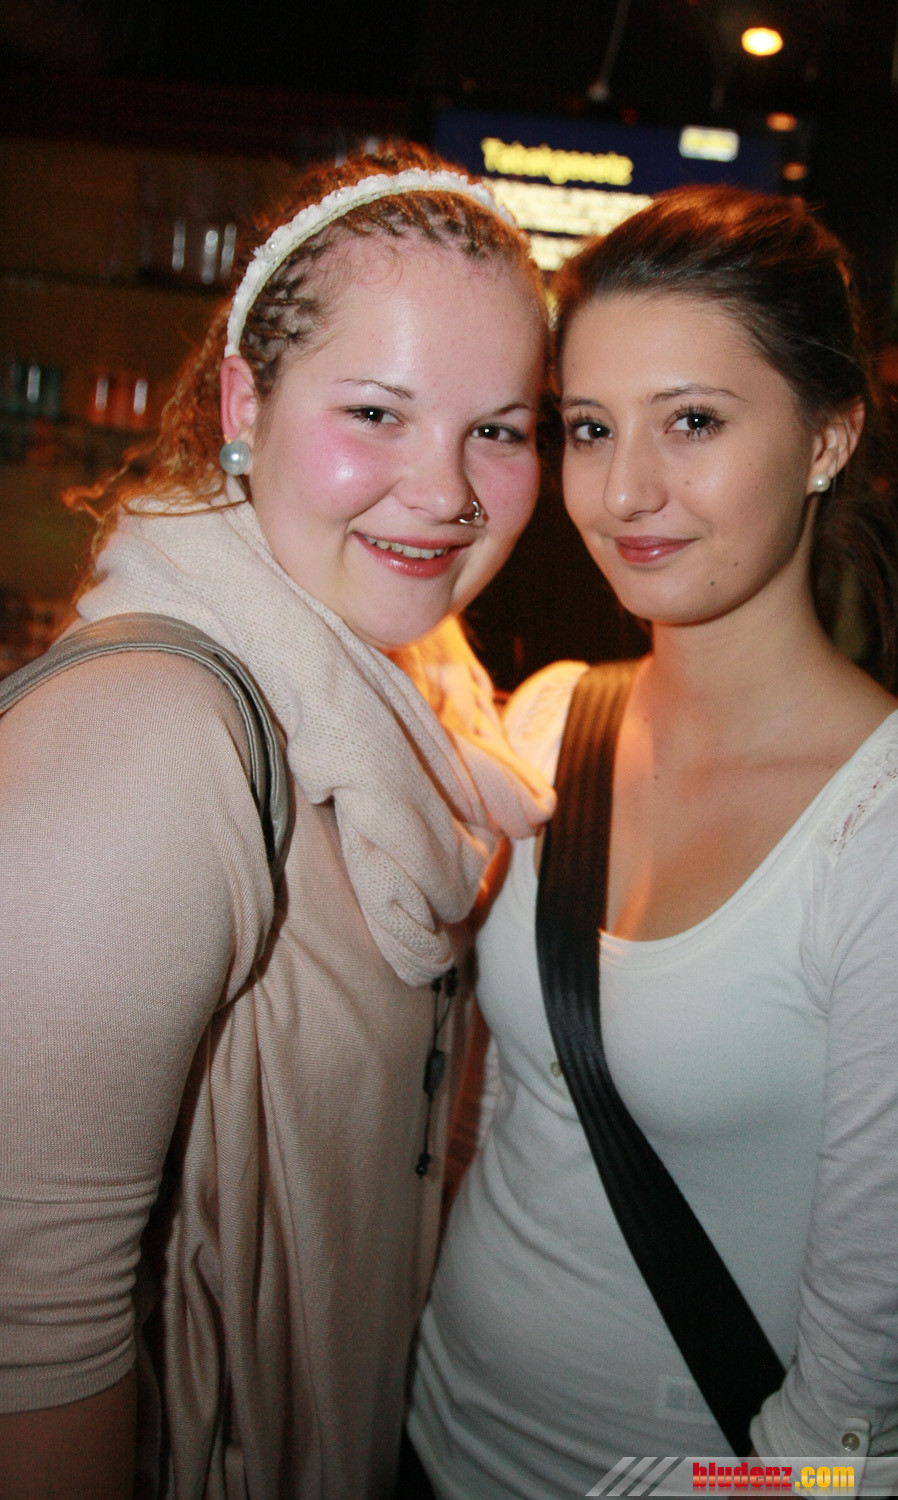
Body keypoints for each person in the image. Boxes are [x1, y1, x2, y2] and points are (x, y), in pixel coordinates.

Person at [406, 186, 898, 1496]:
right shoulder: (549, 718)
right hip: (428, 1427)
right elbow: (502, 1118)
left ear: (829, 434)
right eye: (589, 427)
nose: (624, 490)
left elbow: (852, 1414)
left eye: (692, 421)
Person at [0, 142, 555, 1500]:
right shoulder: (149, 737)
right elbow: (29, 1329)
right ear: (246, 401)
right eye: (375, 411)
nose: (447, 492)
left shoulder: (417, 684)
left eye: (499, 428)